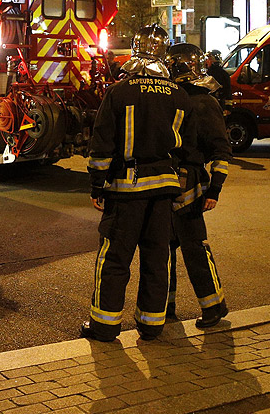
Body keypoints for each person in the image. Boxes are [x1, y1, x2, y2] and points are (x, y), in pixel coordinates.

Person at [81, 24, 195, 342]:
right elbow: (190, 151)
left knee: (115, 257)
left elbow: (101, 145)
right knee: (156, 258)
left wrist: (96, 185)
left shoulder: (120, 92)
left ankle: (105, 325)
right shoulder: (179, 95)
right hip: (164, 193)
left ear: (134, 53)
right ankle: (151, 324)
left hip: (126, 191)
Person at [166, 43, 231, 329]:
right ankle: (165, 307)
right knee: (164, 249)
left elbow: (220, 150)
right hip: (167, 184)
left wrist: (214, 190)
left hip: (188, 186)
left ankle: (214, 305)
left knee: (193, 248)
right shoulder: (171, 98)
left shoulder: (204, 103)